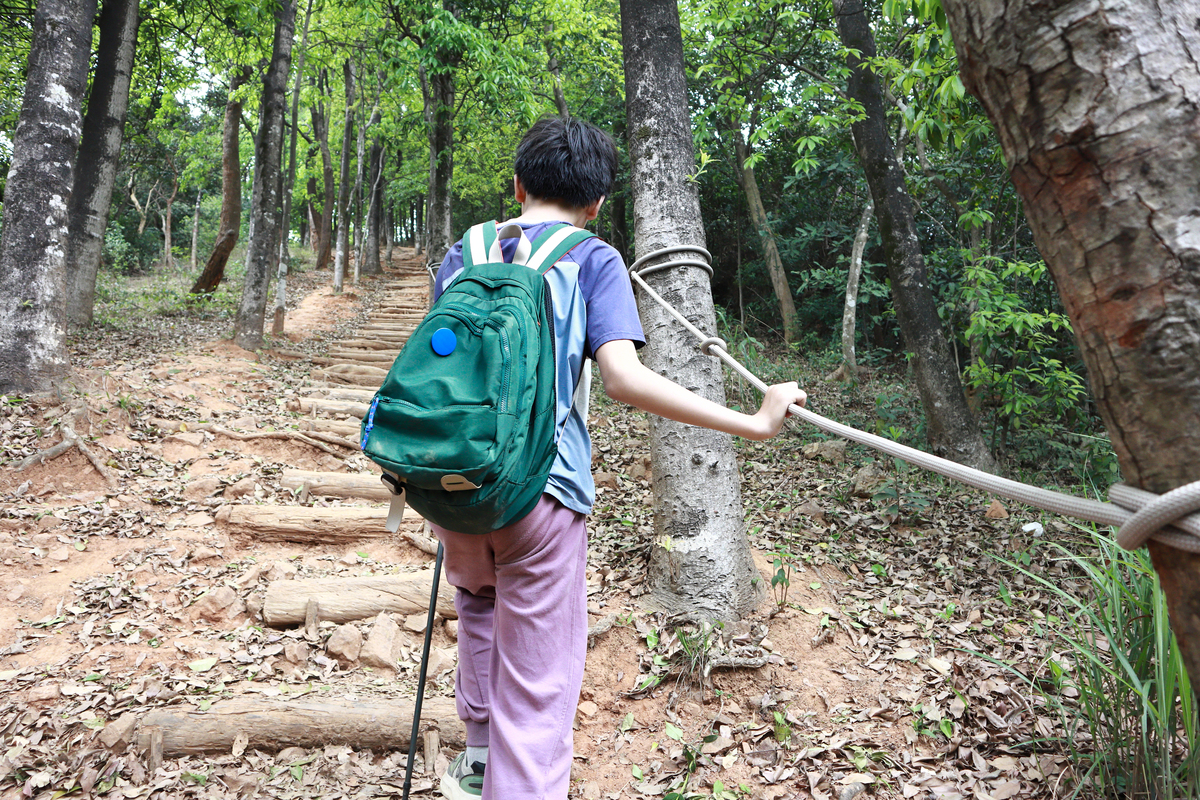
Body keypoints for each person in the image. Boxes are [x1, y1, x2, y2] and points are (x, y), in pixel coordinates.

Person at [432, 116, 807, 800]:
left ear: (517, 185)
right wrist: (753, 422)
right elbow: (623, 379)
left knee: (479, 603)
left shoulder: (468, 250)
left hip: (453, 484)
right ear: (598, 203)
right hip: (542, 489)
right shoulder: (593, 258)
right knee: (540, 684)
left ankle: (478, 755)